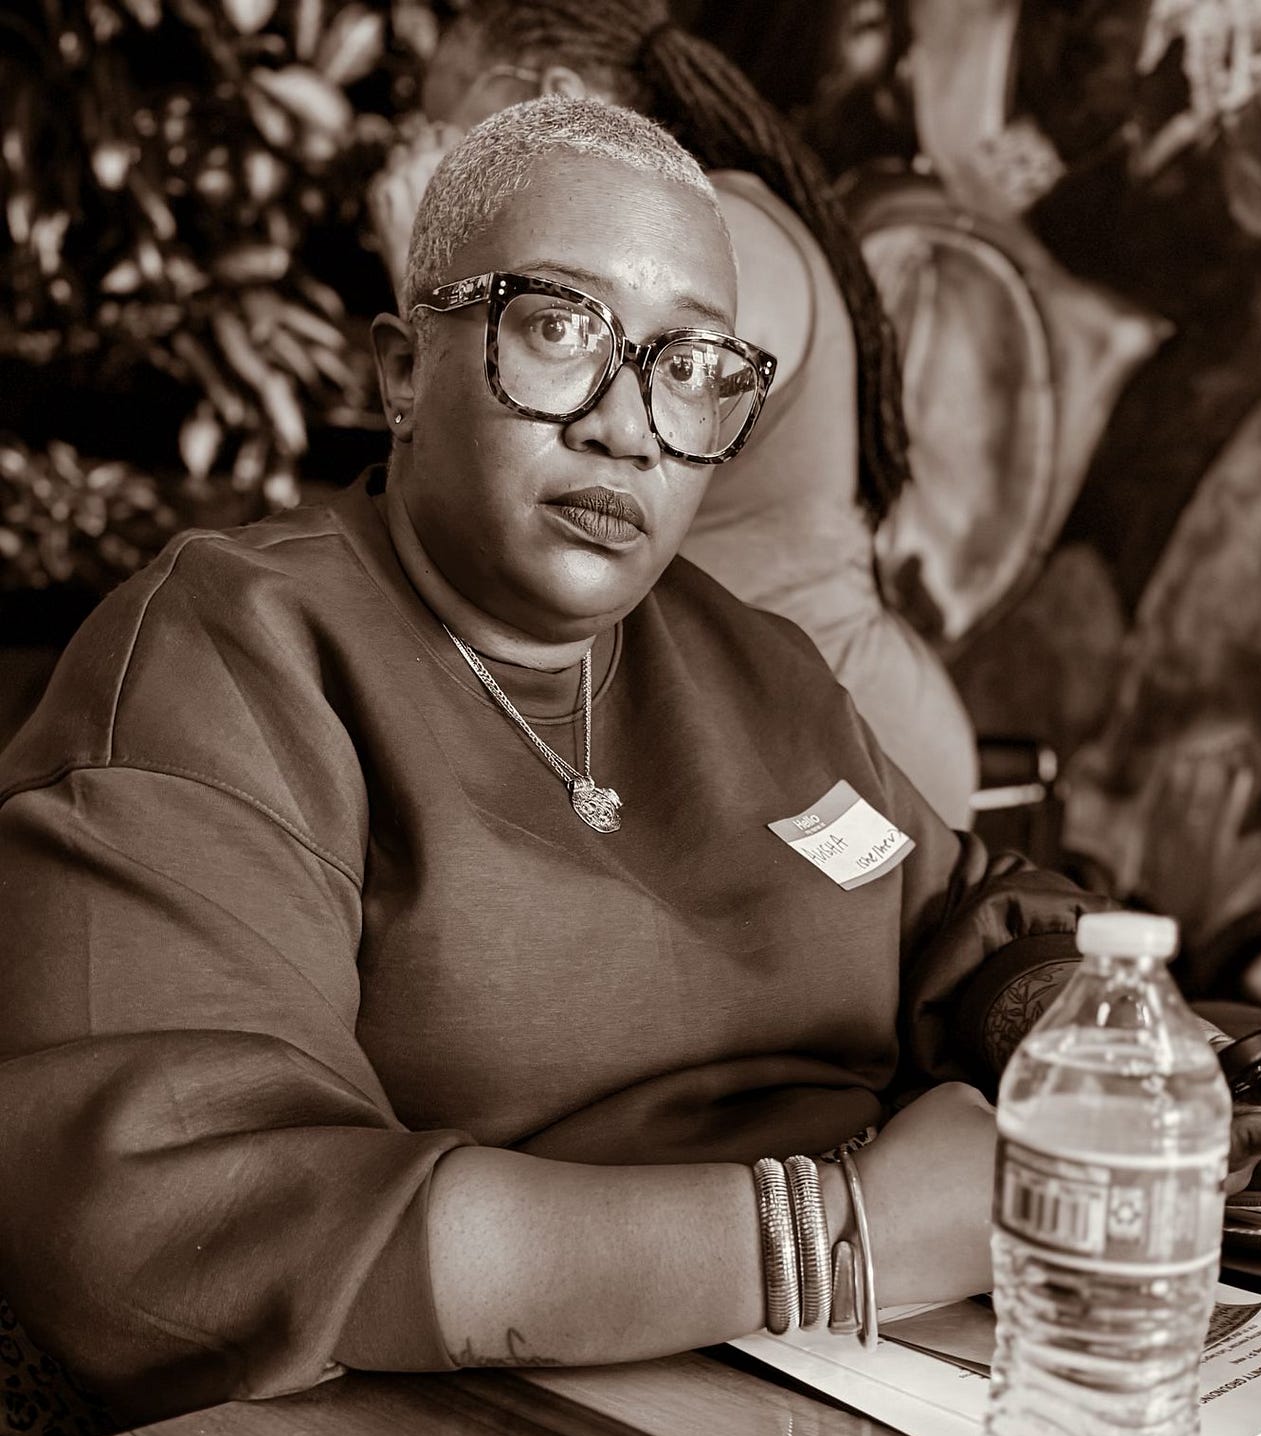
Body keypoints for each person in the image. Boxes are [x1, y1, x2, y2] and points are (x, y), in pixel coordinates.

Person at [0, 102, 1261, 1432]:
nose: (629, 425)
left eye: (692, 370)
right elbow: (168, 1219)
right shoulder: (237, 649)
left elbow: (961, 913)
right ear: (401, 368)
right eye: (558, 327)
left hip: (911, 1380)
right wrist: (832, 1239)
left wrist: (1094, 1034)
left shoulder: (760, 670)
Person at [368, 0, 980, 828]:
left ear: (554, 97)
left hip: (848, 755)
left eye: (447, 131)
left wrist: (428, 268)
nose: (432, 162)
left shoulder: (710, 242)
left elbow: (593, 396)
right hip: (729, 731)